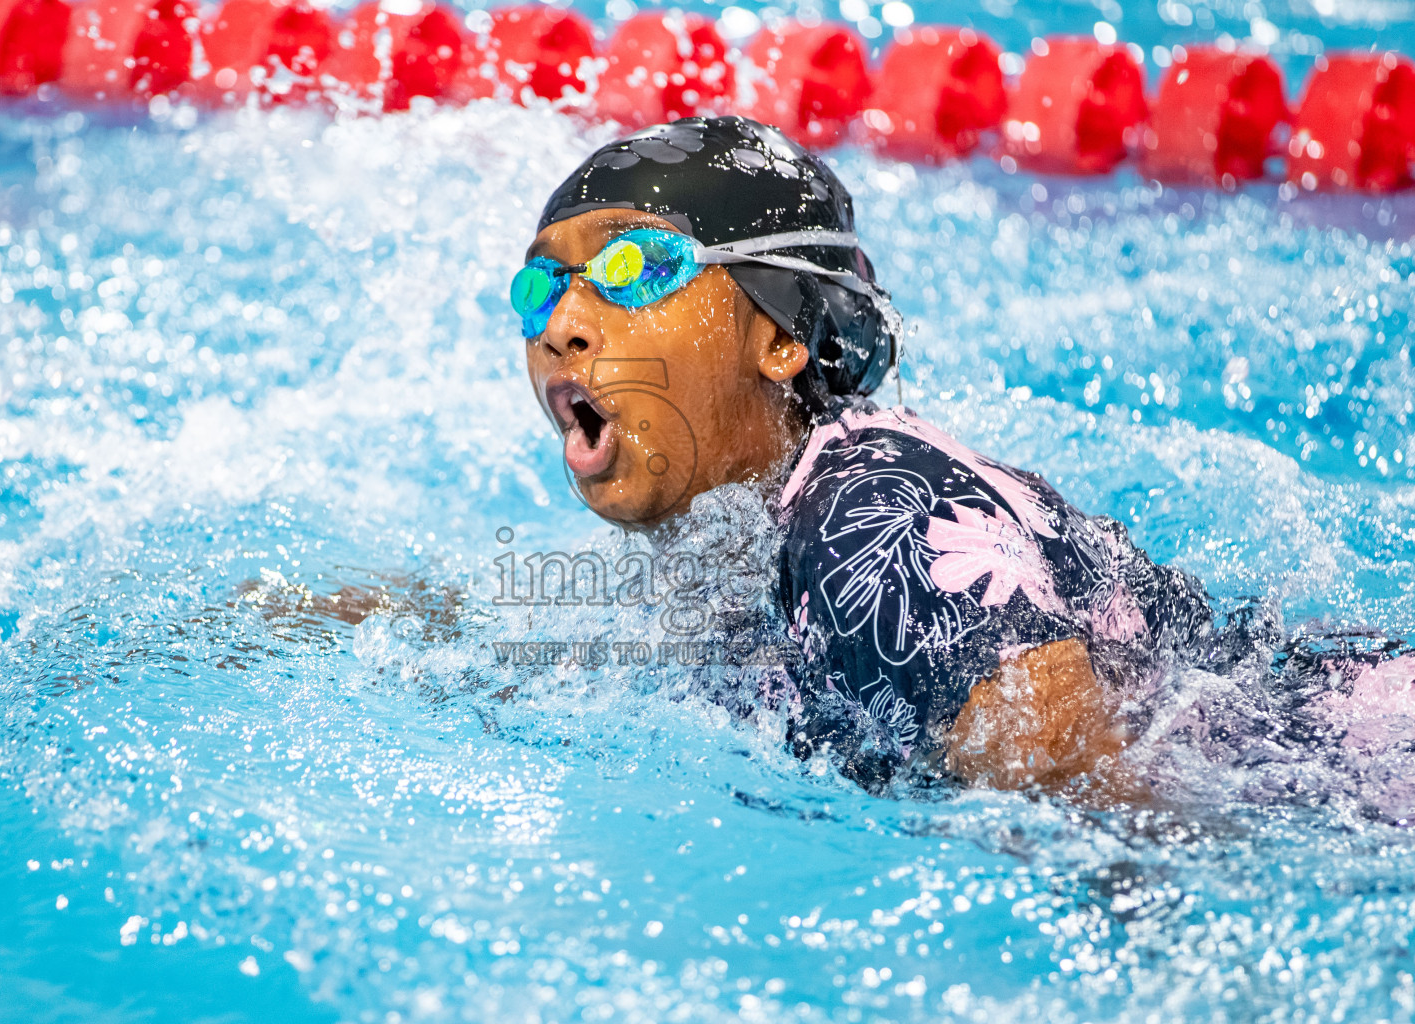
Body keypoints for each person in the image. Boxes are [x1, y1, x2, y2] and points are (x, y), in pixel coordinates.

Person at [512, 115, 1408, 803]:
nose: (562, 325)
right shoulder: (760, 525)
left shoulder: (868, 519)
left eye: (636, 266)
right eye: (542, 286)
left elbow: (1092, 797)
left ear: (780, 336)